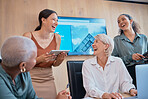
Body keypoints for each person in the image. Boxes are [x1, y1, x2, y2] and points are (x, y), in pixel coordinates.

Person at [0, 36, 71, 99]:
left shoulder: (23, 72)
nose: (36, 60)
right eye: (34, 58)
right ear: (23, 65)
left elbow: (33, 97)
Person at [23, 9, 67, 99]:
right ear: (43, 20)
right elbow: (23, 64)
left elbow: (55, 64)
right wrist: (39, 60)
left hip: (49, 79)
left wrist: (59, 60)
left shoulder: (57, 38)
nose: (56, 23)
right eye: (53, 19)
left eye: (57, 20)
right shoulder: (28, 36)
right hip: (31, 79)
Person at [82, 34, 137, 99]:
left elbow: (125, 82)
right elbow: (90, 88)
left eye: (96, 42)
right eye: (93, 42)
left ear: (106, 46)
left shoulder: (118, 62)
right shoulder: (87, 64)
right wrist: (104, 95)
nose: (93, 44)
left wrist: (131, 89)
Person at [112, 14, 148, 87]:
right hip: (128, 72)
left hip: (144, 69)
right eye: (118, 22)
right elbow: (114, 60)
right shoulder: (117, 40)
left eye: (123, 19)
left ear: (131, 21)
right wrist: (130, 57)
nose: (121, 22)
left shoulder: (143, 38)